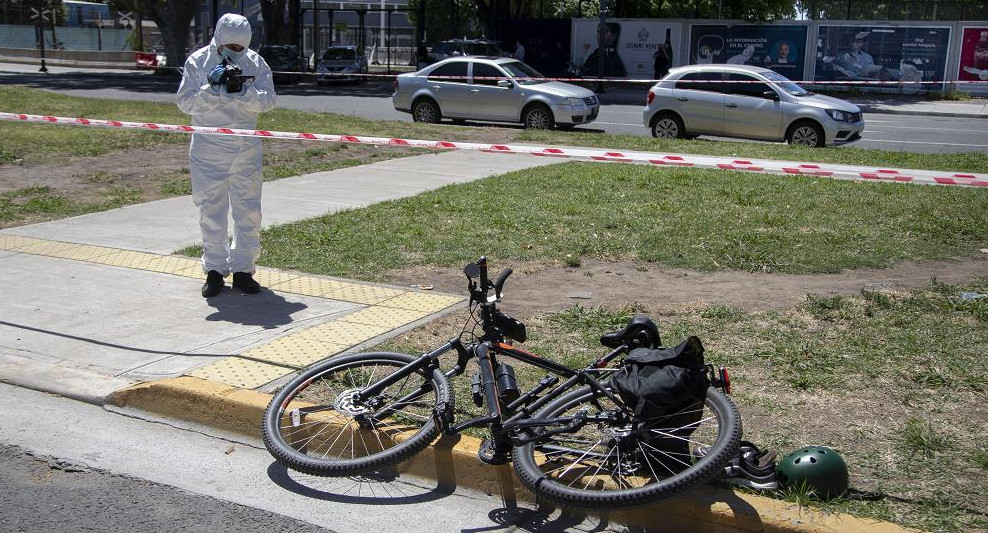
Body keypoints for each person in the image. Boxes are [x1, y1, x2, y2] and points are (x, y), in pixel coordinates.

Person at [176, 13, 277, 298]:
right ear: (218, 40)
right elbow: (184, 102)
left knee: (249, 211)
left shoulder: (256, 62)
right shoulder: (197, 61)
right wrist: (211, 90)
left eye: (239, 48)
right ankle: (215, 270)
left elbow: (269, 100)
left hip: (245, 149)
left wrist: (246, 92)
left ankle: (244, 269)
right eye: (229, 47)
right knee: (211, 211)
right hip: (208, 149)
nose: (234, 52)